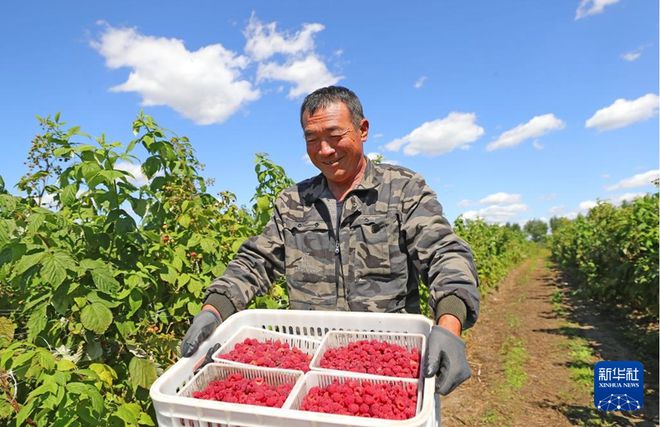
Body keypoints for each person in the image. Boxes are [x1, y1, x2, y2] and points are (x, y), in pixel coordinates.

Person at [181, 86, 480, 395]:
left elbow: (445, 253)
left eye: (335, 135)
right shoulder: (294, 202)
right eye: (312, 139)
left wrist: (449, 324)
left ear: (362, 130)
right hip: (311, 370)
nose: (324, 150)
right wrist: (214, 310)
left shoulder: (402, 190)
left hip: (389, 363)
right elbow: (256, 261)